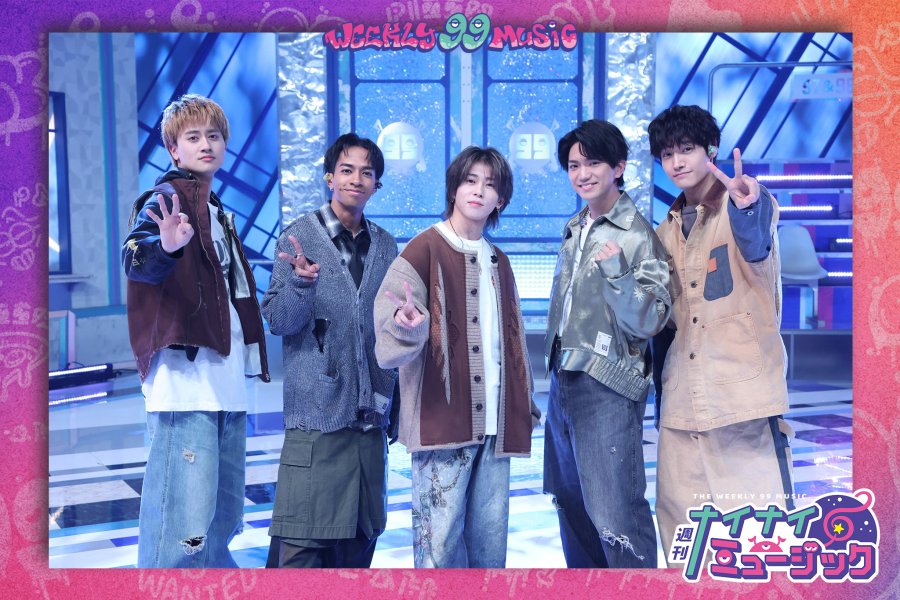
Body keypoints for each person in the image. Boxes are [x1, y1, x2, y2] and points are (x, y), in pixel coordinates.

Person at [374, 146, 540, 568]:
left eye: (490, 184)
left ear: (500, 199)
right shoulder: (422, 249)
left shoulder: (499, 261)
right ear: (453, 188)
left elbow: (513, 341)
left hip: (496, 427)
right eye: (470, 180)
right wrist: (407, 325)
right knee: (439, 546)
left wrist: (524, 404)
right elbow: (388, 332)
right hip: (442, 421)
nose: (479, 191)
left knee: (489, 546)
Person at [123, 93, 269, 568]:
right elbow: (136, 259)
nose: (206, 144)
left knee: (220, 522)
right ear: (173, 149)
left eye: (214, 135)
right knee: (180, 530)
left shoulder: (217, 209)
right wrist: (165, 247)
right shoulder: (165, 200)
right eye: (193, 137)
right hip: (185, 386)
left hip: (225, 383)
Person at [648, 104, 795, 564]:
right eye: (667, 154)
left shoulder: (743, 204)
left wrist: (747, 206)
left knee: (760, 544)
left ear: (710, 150)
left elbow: (756, 238)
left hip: (741, 401)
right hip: (681, 407)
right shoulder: (663, 233)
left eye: (687, 149)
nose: (677, 162)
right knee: (683, 542)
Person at [261, 133, 398, 568]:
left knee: (358, 551)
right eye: (346, 170)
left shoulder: (386, 245)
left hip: (369, 424)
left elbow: (388, 328)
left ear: (376, 184)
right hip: (317, 420)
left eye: (366, 172)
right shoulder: (298, 237)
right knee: (301, 556)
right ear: (329, 177)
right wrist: (301, 284)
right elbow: (279, 321)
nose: (356, 179)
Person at [542, 119, 670, 568]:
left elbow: (651, 319)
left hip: (608, 386)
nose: (582, 174)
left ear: (618, 167)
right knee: (571, 506)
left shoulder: (637, 233)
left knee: (616, 515)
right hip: (564, 379)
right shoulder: (576, 226)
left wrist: (618, 273)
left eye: (593, 162)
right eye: (573, 165)